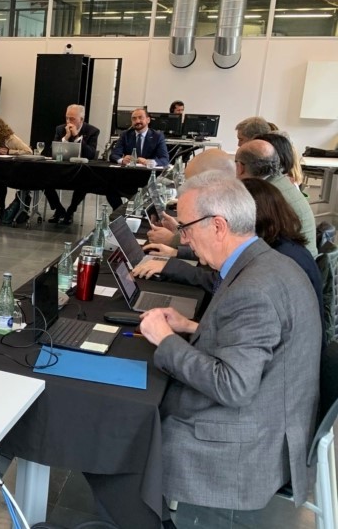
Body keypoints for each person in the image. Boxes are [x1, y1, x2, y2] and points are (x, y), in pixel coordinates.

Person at [138, 171, 320, 514]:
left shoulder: (254, 289)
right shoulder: (268, 263)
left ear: (218, 226)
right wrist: (190, 328)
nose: (186, 240)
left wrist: (166, 341)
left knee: (120, 435)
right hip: (269, 418)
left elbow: (233, 386)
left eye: (187, 228)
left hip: (245, 447)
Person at [135, 178, 324, 331]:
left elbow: (230, 375)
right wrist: (191, 326)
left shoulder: (270, 268)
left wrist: (165, 339)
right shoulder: (278, 247)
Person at [235, 138, 317, 256]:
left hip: (292, 265)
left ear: (240, 167)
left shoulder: (264, 195)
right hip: (304, 259)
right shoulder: (280, 182)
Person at [44, 104, 100, 225]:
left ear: (81, 119)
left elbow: (90, 154)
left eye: (72, 119)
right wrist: (65, 138)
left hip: (80, 171)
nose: (69, 121)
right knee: (43, 179)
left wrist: (76, 137)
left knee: (84, 182)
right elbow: (50, 152)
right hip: (61, 169)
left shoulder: (92, 131)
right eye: (67, 118)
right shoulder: (60, 129)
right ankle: (59, 210)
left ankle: (70, 211)